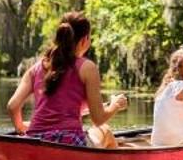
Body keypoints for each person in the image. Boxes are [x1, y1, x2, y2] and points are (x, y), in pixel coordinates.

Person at [7, 11, 126, 147]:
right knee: (104, 130)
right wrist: (115, 105)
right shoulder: (88, 68)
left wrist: (21, 127)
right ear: (84, 40)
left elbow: (12, 106)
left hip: (35, 141)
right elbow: (98, 119)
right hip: (70, 143)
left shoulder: (35, 68)